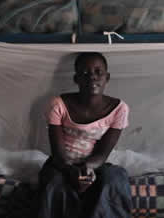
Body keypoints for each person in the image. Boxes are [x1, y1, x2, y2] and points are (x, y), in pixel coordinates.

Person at [37, 52, 132, 218]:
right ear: (76, 79)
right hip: (61, 164)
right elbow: (58, 155)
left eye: (98, 72)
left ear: (107, 77)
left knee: (115, 179)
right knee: (55, 184)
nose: (92, 78)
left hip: (95, 164)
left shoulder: (119, 109)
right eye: (85, 73)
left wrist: (87, 170)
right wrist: (71, 171)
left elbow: (102, 154)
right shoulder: (58, 105)